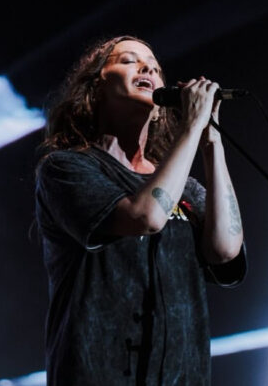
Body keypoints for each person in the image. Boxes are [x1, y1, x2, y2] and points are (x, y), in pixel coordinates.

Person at [35, 35, 247, 385]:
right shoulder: (66, 169)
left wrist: (211, 140)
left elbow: (225, 250)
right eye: (129, 60)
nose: (148, 67)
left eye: (155, 67)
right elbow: (145, 216)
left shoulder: (187, 188)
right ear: (96, 85)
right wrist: (190, 128)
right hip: (100, 373)